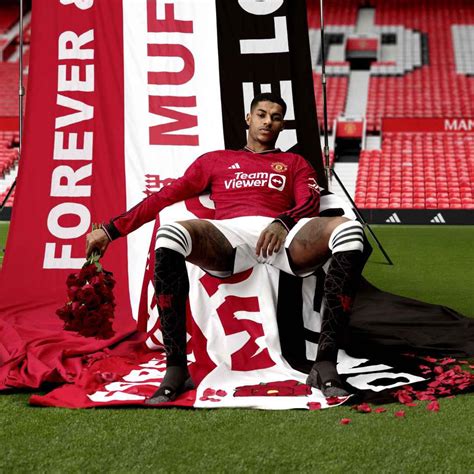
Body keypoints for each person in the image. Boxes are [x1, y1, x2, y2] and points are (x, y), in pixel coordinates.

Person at [86, 93, 365, 402]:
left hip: (283, 235)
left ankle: (325, 363)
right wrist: (111, 230)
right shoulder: (215, 160)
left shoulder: (293, 162)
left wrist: (283, 222)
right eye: (261, 114)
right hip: (230, 235)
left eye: (275, 117)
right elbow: (165, 196)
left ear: (282, 125)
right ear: (248, 118)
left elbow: (309, 202)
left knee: (350, 231)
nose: (267, 121)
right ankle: (176, 369)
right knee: (170, 236)